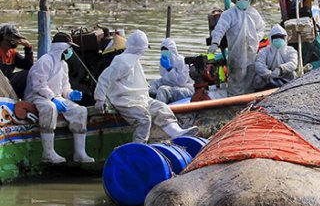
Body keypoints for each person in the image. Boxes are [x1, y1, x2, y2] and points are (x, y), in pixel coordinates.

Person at [94, 30, 198, 143]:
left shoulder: (135, 60)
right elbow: (105, 78)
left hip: (141, 97)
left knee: (161, 108)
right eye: (143, 49)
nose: (143, 52)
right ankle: (139, 145)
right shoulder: (121, 61)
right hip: (125, 100)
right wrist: (100, 98)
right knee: (144, 120)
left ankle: (177, 132)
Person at [23, 32, 92, 164]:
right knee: (50, 108)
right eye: (68, 48)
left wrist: (70, 94)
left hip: (56, 97)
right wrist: (52, 98)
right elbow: (38, 85)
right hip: (36, 96)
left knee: (80, 110)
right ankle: (48, 153)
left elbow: (64, 86)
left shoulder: (64, 65)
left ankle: (80, 153)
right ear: (61, 48)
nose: (70, 51)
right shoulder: (45, 61)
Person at [207, 0, 266, 96]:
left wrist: (257, 37)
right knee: (236, 78)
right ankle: (234, 101)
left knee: (250, 76)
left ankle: (249, 102)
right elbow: (220, 29)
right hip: (236, 52)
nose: (243, 1)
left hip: (251, 51)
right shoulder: (229, 14)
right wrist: (215, 42)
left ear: (249, 0)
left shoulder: (254, 14)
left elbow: (262, 28)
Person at [149, 37, 194, 104]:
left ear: (172, 50)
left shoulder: (181, 61)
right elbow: (164, 77)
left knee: (163, 90)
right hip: (172, 86)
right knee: (152, 84)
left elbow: (181, 82)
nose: (163, 52)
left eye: (166, 50)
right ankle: (151, 101)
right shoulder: (164, 61)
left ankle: (158, 109)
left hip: (185, 88)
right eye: (162, 50)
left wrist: (169, 68)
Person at [253, 24, 298, 91]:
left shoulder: (290, 50)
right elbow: (259, 64)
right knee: (258, 78)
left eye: (281, 37)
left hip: (285, 78)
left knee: (294, 75)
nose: (278, 39)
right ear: (270, 38)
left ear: (285, 38)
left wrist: (281, 69)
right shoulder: (264, 51)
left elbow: (293, 63)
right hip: (267, 79)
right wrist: (268, 74)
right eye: (276, 37)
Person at [0, 25, 34, 99]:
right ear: (4, 37)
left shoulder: (12, 53)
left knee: (28, 73)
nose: (17, 41)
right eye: (13, 37)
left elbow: (29, 66)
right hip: (2, 84)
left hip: (7, 84)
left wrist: (28, 47)